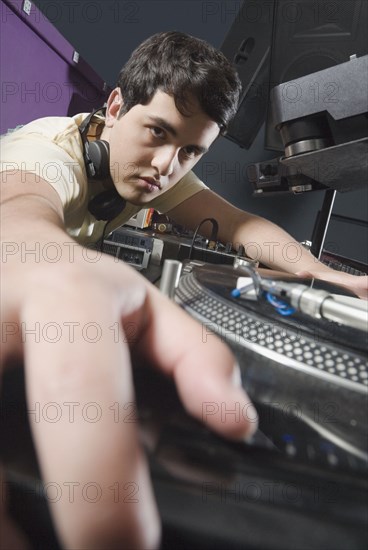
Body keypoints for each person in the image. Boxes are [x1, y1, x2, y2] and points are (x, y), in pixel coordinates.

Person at [0, 31, 366, 549]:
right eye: (157, 132)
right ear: (115, 106)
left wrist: (325, 275)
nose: (166, 167)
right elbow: (17, 211)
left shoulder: (154, 168)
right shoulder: (44, 153)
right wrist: (56, 269)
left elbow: (241, 225)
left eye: (190, 151)